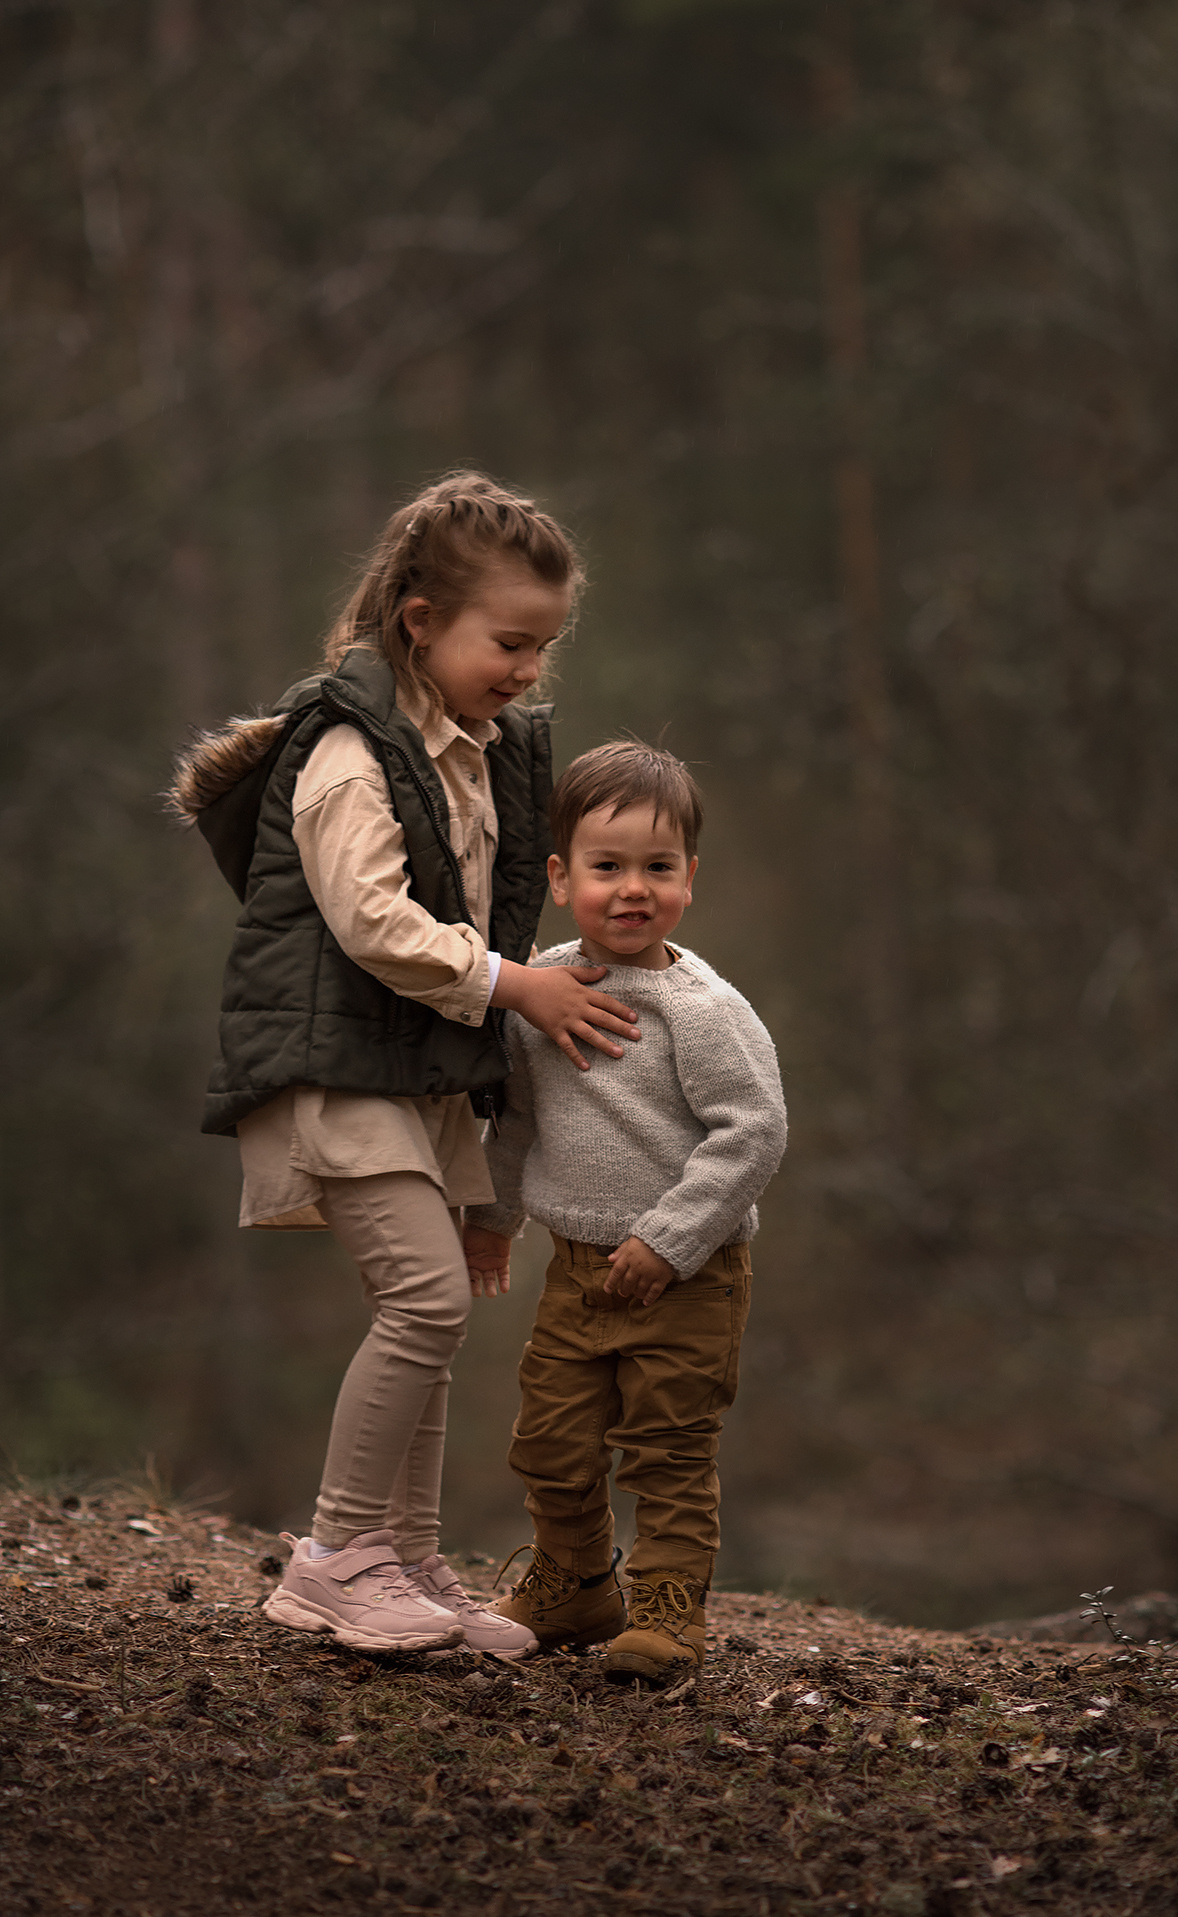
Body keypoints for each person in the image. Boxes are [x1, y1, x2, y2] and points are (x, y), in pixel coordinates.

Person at [168, 471, 643, 1658]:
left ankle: (410, 1563)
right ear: (421, 622)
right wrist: (514, 985)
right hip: (333, 1070)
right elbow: (372, 924)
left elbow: (478, 905)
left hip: (416, 1073)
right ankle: (334, 1558)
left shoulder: (479, 753)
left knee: (430, 1313)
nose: (529, 668)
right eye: (510, 642)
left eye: (545, 645)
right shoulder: (346, 752)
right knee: (422, 1300)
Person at [465, 742, 788, 1681]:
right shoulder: (539, 989)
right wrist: (492, 1218)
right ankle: (573, 1583)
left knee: (668, 1449)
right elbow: (517, 1121)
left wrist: (669, 1239)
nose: (633, 888)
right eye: (607, 866)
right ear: (562, 878)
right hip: (575, 1271)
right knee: (550, 1442)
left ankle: (667, 1612)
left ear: (690, 877)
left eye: (658, 866)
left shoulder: (702, 1008)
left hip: (687, 1279)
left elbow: (755, 1132)